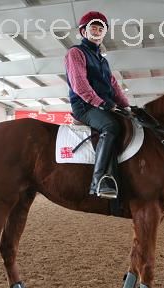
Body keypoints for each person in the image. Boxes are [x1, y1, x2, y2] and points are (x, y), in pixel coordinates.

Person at [64, 11, 130, 199]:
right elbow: (79, 85)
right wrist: (101, 103)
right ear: (83, 32)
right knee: (110, 126)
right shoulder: (75, 53)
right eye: (93, 27)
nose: (98, 30)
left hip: (102, 105)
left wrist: (126, 107)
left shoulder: (103, 60)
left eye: (101, 28)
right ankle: (99, 179)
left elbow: (114, 86)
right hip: (84, 106)